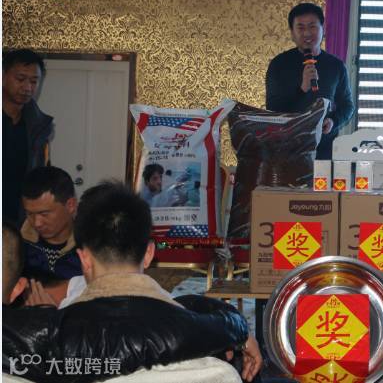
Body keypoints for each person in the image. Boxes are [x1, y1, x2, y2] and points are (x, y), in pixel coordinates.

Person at [2, 182, 262, 382]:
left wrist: (48, 320)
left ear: (84, 259)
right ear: (149, 253)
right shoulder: (214, 356)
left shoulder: (41, 344)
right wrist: (233, 325)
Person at [265, 2, 355, 159]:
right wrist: (301, 89)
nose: (307, 33)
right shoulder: (279, 64)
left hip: (324, 151)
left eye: (312, 26)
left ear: (322, 29)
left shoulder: (336, 66)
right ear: (292, 33)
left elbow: (347, 106)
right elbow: (273, 107)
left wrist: (333, 121)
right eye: (300, 28)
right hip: (287, 150)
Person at [2, 49, 54, 224]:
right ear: (3, 76)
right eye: (20, 79)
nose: (27, 88)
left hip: (20, 220)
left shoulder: (39, 126)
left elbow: (39, 174)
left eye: (33, 81)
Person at [20, 166, 82, 298]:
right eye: (30, 213)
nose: (37, 223)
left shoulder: (92, 247)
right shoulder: (14, 244)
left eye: (44, 214)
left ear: (70, 205)